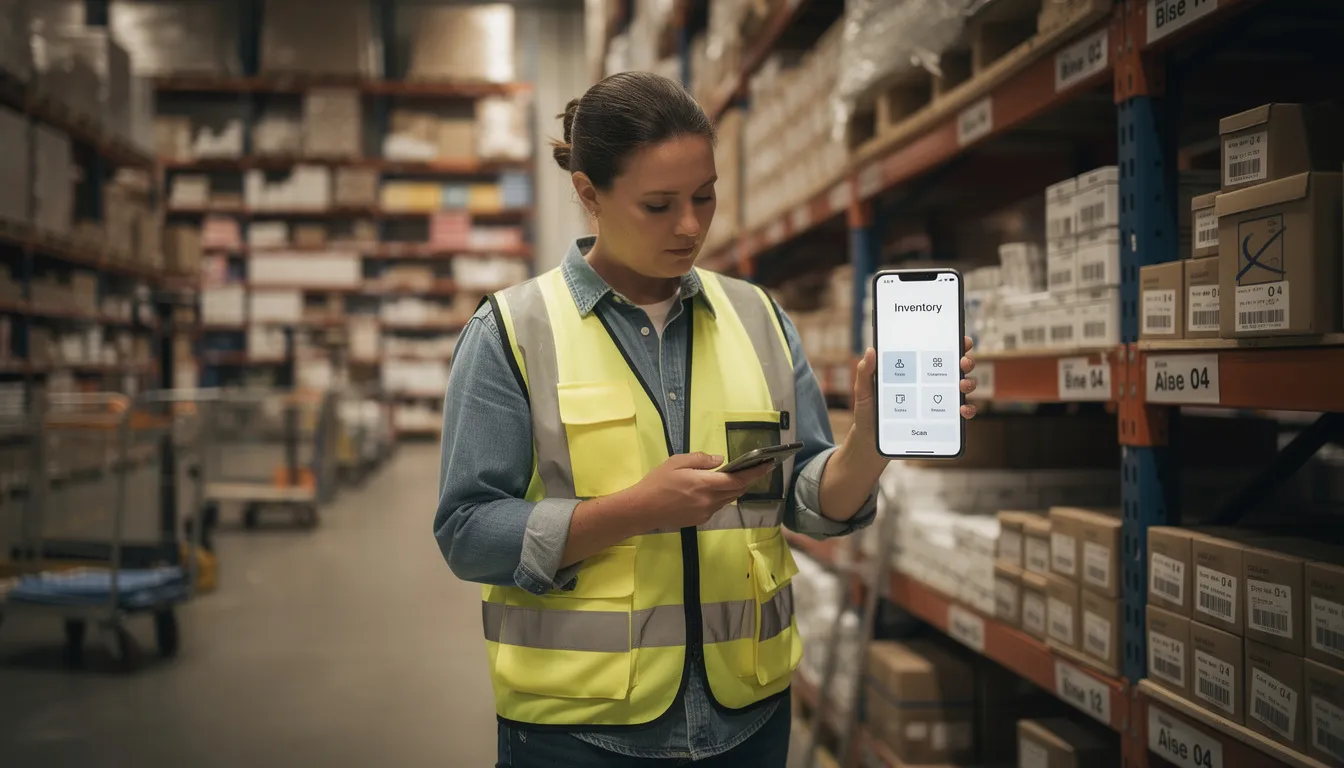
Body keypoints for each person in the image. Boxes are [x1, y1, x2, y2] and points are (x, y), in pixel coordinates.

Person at [434, 71, 978, 768]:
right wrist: (635, 511)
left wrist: (868, 443)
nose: (691, 226)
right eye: (659, 205)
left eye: (706, 195)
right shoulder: (512, 331)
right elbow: (467, 531)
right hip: (581, 733)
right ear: (589, 194)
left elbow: (808, 503)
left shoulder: (758, 318)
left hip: (749, 721)